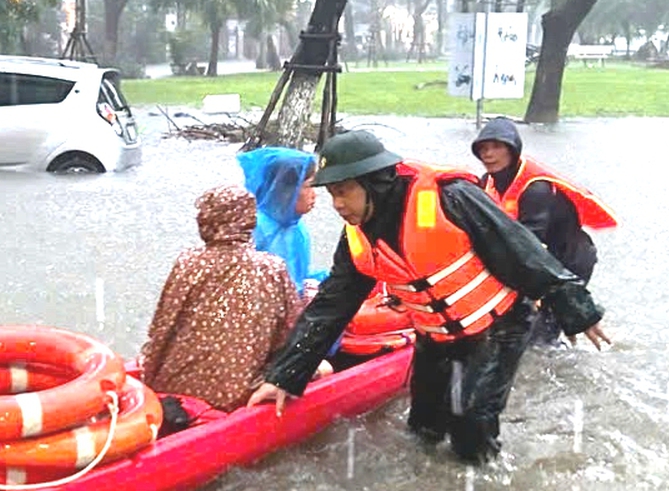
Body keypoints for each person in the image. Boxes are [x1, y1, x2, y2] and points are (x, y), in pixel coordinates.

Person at [246, 130, 611, 464]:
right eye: (331, 194)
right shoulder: (357, 234)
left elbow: (520, 250)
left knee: (470, 429)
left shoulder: (451, 198)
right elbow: (331, 306)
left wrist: (577, 308)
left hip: (498, 327)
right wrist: (286, 375)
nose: (337, 204)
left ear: (375, 183)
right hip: (435, 336)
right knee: (424, 427)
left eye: (344, 191)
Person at [140, 185, 305, 412]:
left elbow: (162, 327)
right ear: (249, 221)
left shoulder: (186, 262)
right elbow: (291, 335)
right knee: (323, 366)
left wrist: (148, 377)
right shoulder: (271, 267)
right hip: (238, 392)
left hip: (174, 384)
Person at [471, 117, 618, 346]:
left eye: (496, 147)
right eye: (483, 149)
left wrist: (564, 304)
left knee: (539, 337)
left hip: (568, 261)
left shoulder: (536, 189)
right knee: (526, 325)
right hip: (535, 258)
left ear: (512, 150)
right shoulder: (485, 182)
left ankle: (556, 358)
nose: (488, 154)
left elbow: (530, 248)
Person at [236, 146, 328, 292]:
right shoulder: (255, 228)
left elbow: (298, 277)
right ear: (287, 191)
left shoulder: (296, 227)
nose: (314, 195)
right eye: (308, 187)